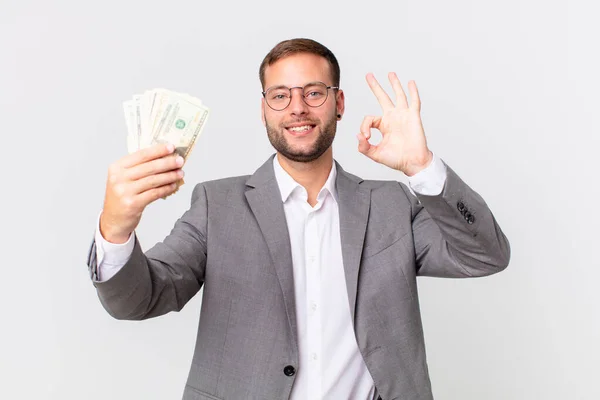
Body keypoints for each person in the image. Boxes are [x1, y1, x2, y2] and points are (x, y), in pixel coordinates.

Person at [87, 38, 510, 400]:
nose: (297, 109)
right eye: (280, 95)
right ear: (264, 108)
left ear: (338, 103)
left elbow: (484, 256)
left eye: (314, 93)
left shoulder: (392, 204)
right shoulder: (218, 205)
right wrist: (117, 228)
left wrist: (422, 167)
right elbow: (141, 299)